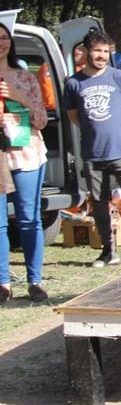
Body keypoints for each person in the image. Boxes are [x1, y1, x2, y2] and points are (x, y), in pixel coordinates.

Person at [65, 31, 121, 267]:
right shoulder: (74, 83)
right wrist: (95, 129)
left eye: (106, 52)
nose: (102, 56)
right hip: (93, 154)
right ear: (86, 51)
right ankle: (109, 251)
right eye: (97, 51)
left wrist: (116, 128)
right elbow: (74, 115)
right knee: (99, 202)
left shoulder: (119, 77)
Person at [0, 22, 49, 302]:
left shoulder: (26, 78)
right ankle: (3, 284)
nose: (1, 43)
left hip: (26, 155)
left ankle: (35, 281)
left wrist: (18, 98)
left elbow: (41, 120)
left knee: (29, 219)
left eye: (5, 38)